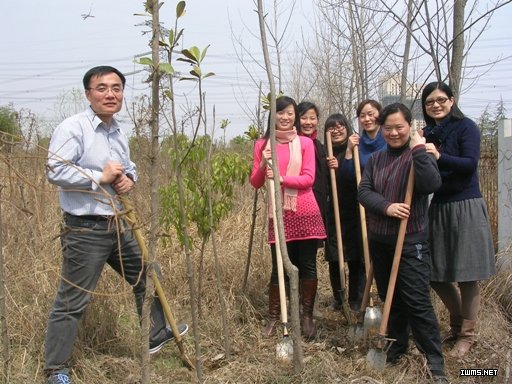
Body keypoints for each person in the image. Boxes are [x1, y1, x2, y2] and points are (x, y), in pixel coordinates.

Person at [45, 66, 188, 384]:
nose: (110, 94)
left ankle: (154, 335)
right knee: (73, 300)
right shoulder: (74, 128)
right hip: (85, 229)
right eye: (101, 88)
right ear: (88, 94)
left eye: (116, 88)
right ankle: (56, 370)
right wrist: (100, 178)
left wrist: (128, 178)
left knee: (148, 275)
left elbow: (129, 167)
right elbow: (54, 170)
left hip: (119, 225)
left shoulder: (117, 130)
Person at [358, 103, 448, 383]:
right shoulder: (376, 159)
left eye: (399, 127)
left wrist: (420, 150)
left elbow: (432, 184)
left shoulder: (418, 155)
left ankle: (435, 361)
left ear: (410, 126)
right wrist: (386, 207)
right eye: (388, 128)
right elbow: (364, 191)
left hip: (411, 241)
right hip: (381, 240)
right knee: (391, 298)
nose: (394, 133)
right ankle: (398, 344)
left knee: (417, 301)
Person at [421, 81, 496, 358]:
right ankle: (455, 324)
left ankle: (467, 336)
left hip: (465, 205)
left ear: (451, 100)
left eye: (441, 99)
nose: (436, 105)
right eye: (430, 102)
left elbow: (469, 164)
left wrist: (439, 155)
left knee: (467, 274)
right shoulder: (427, 133)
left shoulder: (467, 127)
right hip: (439, 206)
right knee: (434, 272)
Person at [250, 96, 326, 339]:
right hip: (278, 215)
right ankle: (275, 317)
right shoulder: (262, 144)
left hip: (305, 211)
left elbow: (308, 178)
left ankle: (306, 317)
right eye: (280, 113)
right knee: (279, 269)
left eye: (289, 113)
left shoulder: (305, 143)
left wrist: (282, 179)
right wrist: (263, 162)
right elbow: (255, 182)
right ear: (273, 116)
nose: (285, 117)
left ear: (295, 116)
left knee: (307, 266)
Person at [338, 100, 386, 310]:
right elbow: (348, 176)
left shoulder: (390, 138)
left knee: (383, 255)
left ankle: (388, 302)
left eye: (371, 114)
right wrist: (349, 151)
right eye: (362, 115)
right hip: (363, 207)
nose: (367, 119)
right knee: (360, 253)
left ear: (379, 115)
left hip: (387, 204)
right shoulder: (357, 143)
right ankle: (360, 301)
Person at [322, 114, 361, 312]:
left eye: (340, 126)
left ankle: (355, 298)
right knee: (335, 255)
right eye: (332, 127)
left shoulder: (356, 149)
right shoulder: (324, 152)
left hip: (354, 209)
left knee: (355, 257)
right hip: (332, 210)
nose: (337, 130)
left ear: (347, 127)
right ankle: (339, 298)